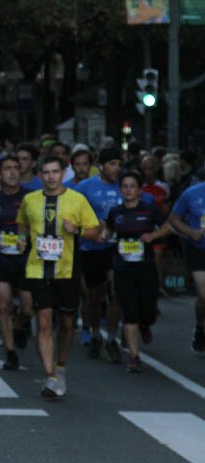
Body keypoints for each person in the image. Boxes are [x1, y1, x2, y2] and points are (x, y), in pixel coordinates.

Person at [16, 156, 100, 397]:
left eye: (55, 172)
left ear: (64, 173)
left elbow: (95, 232)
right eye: (46, 172)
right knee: (43, 322)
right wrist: (22, 239)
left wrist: (79, 230)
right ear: (39, 174)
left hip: (67, 270)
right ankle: (50, 375)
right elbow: (21, 223)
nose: (51, 177)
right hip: (37, 268)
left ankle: (60, 366)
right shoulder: (30, 200)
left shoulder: (77, 200)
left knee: (66, 323)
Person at [105, 171, 169, 371]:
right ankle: (134, 356)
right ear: (121, 190)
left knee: (148, 311)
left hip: (146, 266)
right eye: (125, 186)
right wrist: (103, 234)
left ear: (139, 190)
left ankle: (145, 323)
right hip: (123, 267)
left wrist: (153, 235)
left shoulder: (149, 209)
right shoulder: (115, 212)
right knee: (129, 312)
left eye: (132, 186)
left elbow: (169, 226)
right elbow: (108, 232)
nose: (128, 190)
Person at [0, 156, 33, 370]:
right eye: (7, 169)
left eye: (16, 168)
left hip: (26, 260)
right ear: (0, 173)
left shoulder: (31, 198)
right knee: (2, 303)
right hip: (0, 259)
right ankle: (10, 352)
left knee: (28, 309)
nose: (11, 172)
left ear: (21, 171)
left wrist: (27, 240)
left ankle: (19, 327)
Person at [75, 148, 125, 362]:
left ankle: (112, 338)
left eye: (119, 164)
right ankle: (95, 333)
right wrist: (96, 226)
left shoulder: (125, 186)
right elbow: (73, 215)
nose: (117, 168)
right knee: (94, 295)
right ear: (101, 165)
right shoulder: (85, 187)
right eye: (112, 163)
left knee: (116, 292)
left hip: (118, 247)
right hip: (91, 247)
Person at [166, 177, 205, 352]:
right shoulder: (191, 193)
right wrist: (191, 231)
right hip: (198, 249)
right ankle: (200, 327)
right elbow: (174, 219)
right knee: (204, 295)